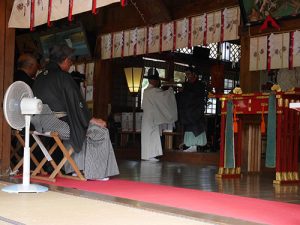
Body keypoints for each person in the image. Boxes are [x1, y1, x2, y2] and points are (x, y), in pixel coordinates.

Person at [32, 43, 119, 180]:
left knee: (75, 124)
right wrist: (91, 119)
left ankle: (74, 168)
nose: (71, 64)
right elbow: (77, 104)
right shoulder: (63, 77)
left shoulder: (39, 77)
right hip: (59, 126)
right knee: (98, 130)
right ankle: (96, 173)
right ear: (66, 59)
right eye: (71, 61)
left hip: (40, 125)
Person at [141, 68, 177, 161]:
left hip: (149, 117)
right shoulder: (152, 91)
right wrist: (170, 89)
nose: (156, 81)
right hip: (151, 117)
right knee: (151, 135)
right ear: (151, 80)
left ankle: (150, 155)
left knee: (151, 136)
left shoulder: (147, 90)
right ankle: (150, 155)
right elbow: (164, 96)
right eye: (154, 79)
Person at [177, 66, 207, 152]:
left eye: (189, 74)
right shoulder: (186, 85)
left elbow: (196, 97)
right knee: (189, 127)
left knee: (195, 126)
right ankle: (189, 145)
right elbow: (184, 97)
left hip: (196, 110)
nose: (187, 76)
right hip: (188, 111)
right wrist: (181, 92)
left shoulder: (200, 85)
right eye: (186, 74)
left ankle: (195, 146)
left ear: (194, 74)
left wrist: (185, 91)